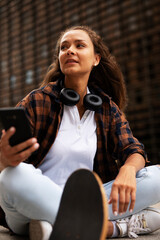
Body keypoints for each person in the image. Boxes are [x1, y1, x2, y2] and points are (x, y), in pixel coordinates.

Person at [0, 25, 160, 239]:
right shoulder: (38, 100)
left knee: (156, 176)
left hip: (93, 199)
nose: (69, 50)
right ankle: (108, 228)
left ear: (96, 59)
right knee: (13, 176)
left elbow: (134, 149)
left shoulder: (106, 107)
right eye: (64, 47)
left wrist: (128, 171)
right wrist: (3, 159)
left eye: (79, 45)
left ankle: (54, 226)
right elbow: (7, 161)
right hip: (31, 202)